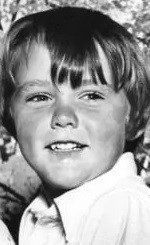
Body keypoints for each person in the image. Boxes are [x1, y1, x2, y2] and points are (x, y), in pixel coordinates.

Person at [1, 6, 150, 245]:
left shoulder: (123, 209)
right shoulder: (43, 212)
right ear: (10, 117)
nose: (63, 115)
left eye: (91, 96)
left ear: (132, 118)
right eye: (39, 97)